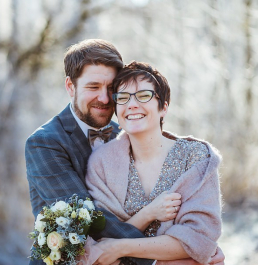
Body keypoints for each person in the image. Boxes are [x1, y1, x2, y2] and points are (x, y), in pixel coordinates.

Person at [25, 39, 224, 265]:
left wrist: (197, 244)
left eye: (111, 89)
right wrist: (181, 252)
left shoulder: (126, 134)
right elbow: (89, 222)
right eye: (93, 87)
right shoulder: (44, 143)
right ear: (70, 86)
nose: (103, 98)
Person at [85, 61, 223, 265]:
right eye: (123, 98)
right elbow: (100, 238)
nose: (132, 104)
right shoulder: (101, 163)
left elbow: (199, 240)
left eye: (143, 95)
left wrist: (119, 247)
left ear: (163, 108)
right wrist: (149, 213)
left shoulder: (195, 157)